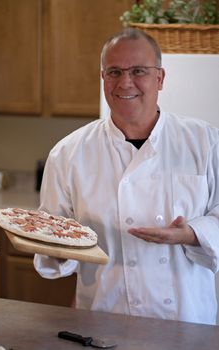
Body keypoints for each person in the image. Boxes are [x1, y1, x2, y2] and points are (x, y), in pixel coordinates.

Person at [34, 28, 219, 325]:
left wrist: (192, 233)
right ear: (103, 78)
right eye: (114, 72)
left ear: (160, 78)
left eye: (138, 71)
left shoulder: (206, 142)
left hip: (188, 323)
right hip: (104, 317)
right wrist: (55, 247)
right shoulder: (68, 153)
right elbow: (49, 239)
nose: (125, 82)